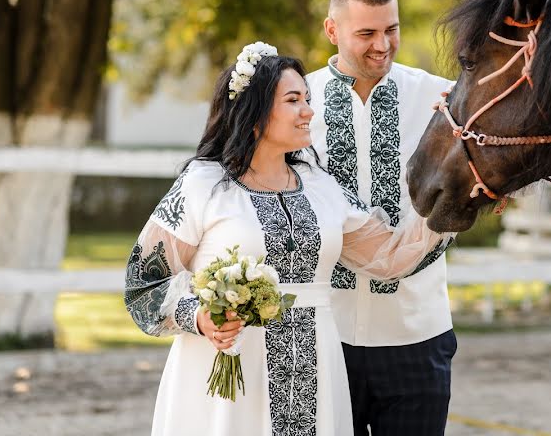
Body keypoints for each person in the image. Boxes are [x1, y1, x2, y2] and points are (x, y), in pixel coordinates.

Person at [124, 42, 452, 436]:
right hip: (230, 377)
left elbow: (389, 257)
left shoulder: (320, 186)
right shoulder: (204, 184)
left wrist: (458, 194)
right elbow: (144, 281)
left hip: (316, 369)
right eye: (294, 100)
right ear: (256, 114)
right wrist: (200, 315)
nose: (309, 112)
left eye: (308, 99)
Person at [307, 0, 456, 435]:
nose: (382, 45)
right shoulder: (297, 103)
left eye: (391, 29)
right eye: (366, 33)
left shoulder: (444, 99)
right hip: (325, 336)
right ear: (332, 30)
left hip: (417, 330)